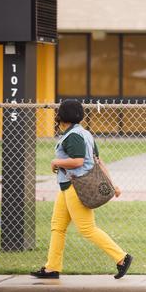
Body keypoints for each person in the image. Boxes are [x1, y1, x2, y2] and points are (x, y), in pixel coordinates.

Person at [30, 99, 133, 280]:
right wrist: (112, 184)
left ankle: (121, 258)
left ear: (63, 115)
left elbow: (78, 161)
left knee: (87, 229)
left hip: (75, 188)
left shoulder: (73, 136)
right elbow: (97, 161)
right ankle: (52, 268)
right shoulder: (85, 134)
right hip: (67, 188)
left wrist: (56, 162)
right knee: (57, 227)